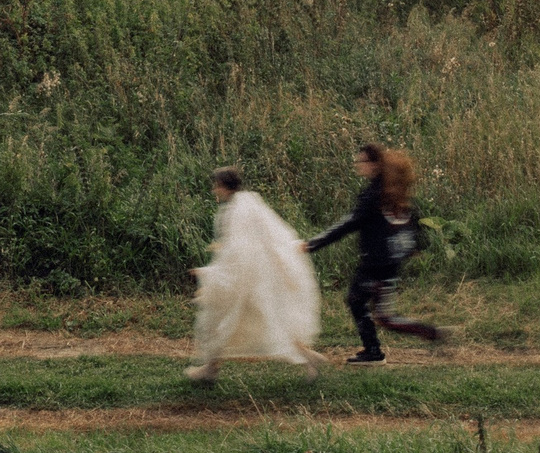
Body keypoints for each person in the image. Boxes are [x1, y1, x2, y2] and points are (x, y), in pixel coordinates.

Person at [304, 143, 442, 364]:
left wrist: (314, 244)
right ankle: (424, 334)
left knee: (363, 305)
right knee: (373, 310)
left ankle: (374, 352)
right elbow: (413, 218)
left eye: (362, 162)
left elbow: (349, 224)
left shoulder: (373, 194)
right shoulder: (391, 189)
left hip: (375, 263)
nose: (358, 166)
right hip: (389, 262)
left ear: (374, 165)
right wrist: (415, 246)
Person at [187, 167, 326, 383]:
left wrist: (210, 274)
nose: (214, 190)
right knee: (267, 319)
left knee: (222, 320)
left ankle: (210, 369)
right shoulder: (250, 203)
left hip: (246, 279)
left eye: (216, 185)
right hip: (258, 276)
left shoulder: (237, 211)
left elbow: (236, 251)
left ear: (224, 187)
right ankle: (211, 369)